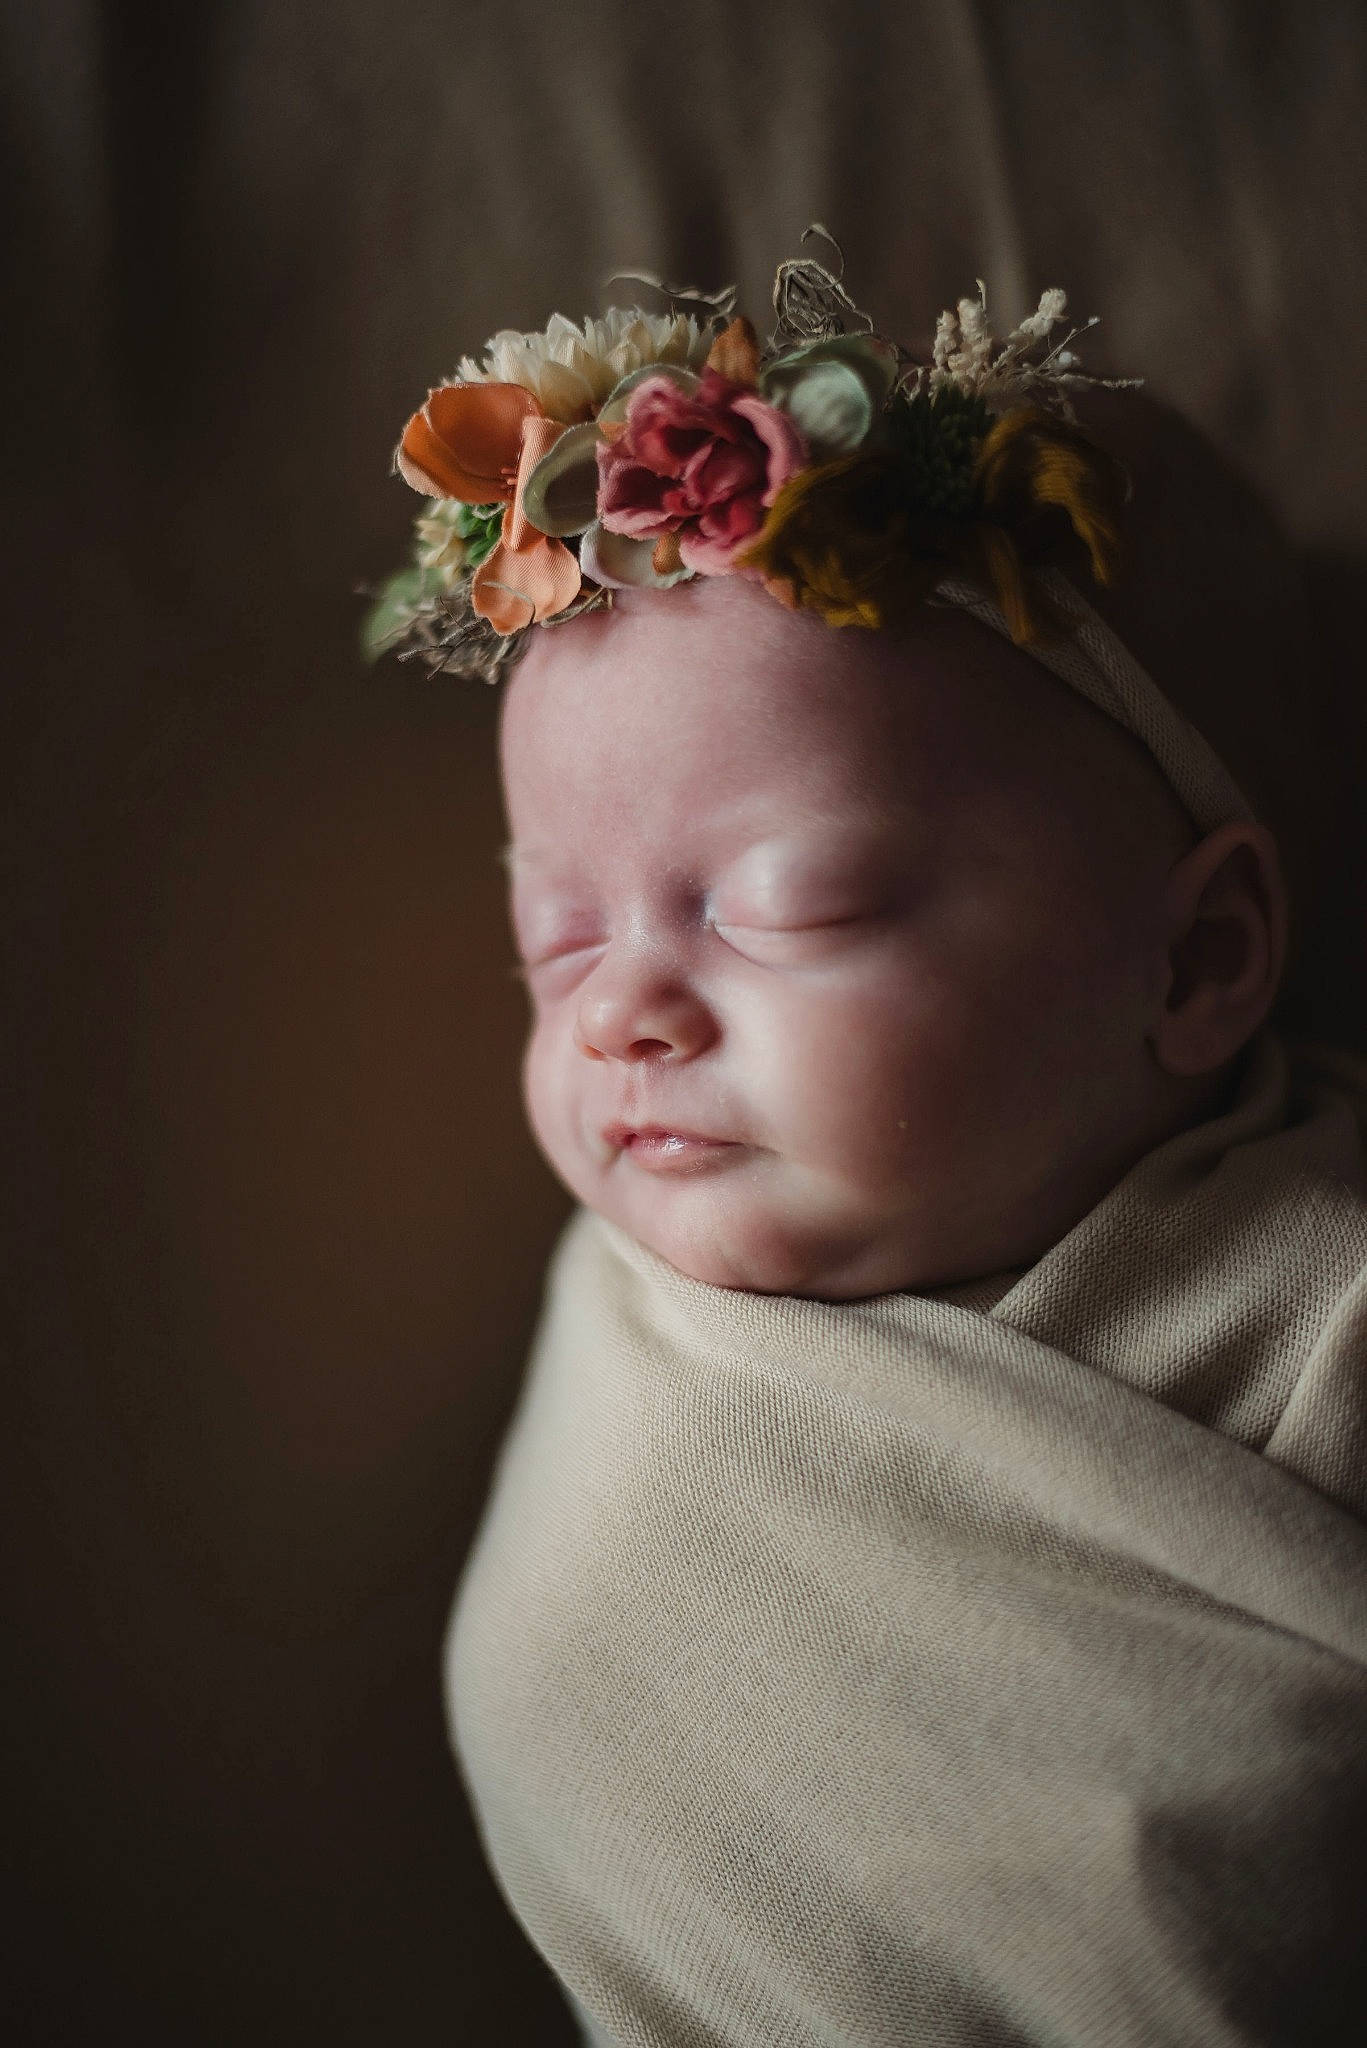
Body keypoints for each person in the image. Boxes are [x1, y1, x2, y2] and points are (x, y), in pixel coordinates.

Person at [369, 257, 1367, 2045]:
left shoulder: (1322, 1280)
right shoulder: (638, 1345)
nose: (619, 1018)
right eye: (558, 943)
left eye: (786, 906)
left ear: (1199, 958)